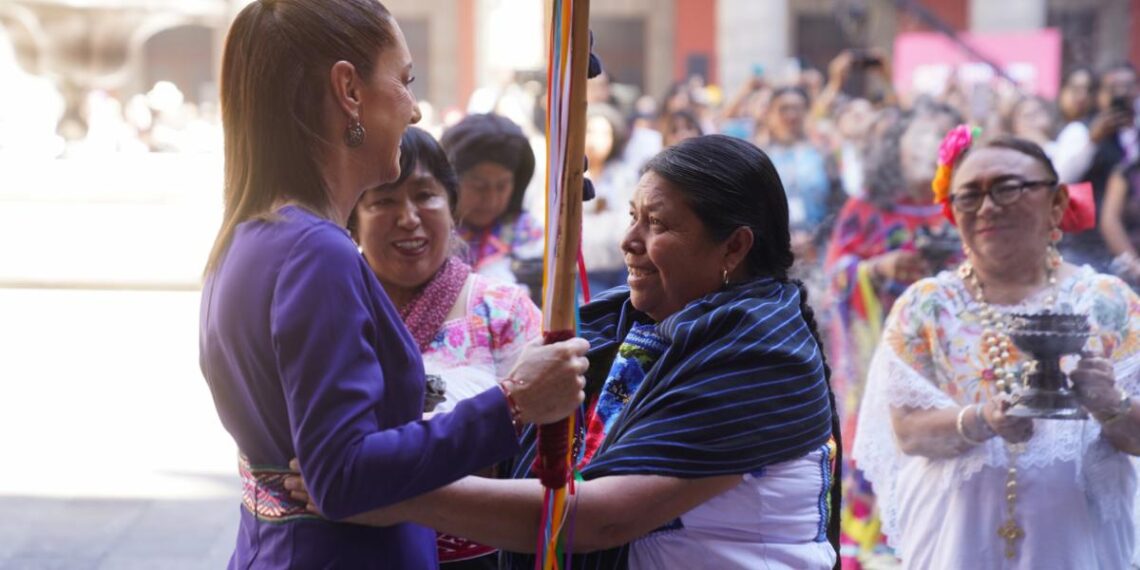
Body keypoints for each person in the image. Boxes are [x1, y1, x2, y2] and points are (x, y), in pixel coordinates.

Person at [290, 135, 843, 569]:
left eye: (658, 224)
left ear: (735, 246)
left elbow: (601, 520)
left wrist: (385, 492)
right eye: (633, 216)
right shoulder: (622, 323)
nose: (629, 240)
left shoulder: (761, 353)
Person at [199, 2, 587, 568]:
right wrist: (514, 401)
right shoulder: (316, 250)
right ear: (348, 90)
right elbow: (344, 474)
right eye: (404, 81)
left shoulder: (250, 235)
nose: (414, 109)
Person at [852, 128, 1140, 569]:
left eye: (1007, 188)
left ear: (1057, 203)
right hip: (958, 546)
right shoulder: (927, 305)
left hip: (1077, 549)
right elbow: (906, 430)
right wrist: (981, 420)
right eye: (968, 196)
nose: (987, 207)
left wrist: (1109, 404)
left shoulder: (1110, 302)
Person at [348, 126, 542, 567]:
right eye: (384, 201)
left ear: (452, 208)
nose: (409, 217)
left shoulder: (503, 311)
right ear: (352, 219)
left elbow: (542, 447)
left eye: (425, 196)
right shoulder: (330, 309)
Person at [823, 102, 962, 569]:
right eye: (919, 136)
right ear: (894, 146)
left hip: (951, 360)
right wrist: (878, 268)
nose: (928, 147)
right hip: (875, 357)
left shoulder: (963, 208)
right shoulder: (866, 209)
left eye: (939, 136)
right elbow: (835, 279)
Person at [440, 113, 544, 292]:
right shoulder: (435, 231)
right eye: (479, 186)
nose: (491, 199)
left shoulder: (528, 233)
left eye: (502, 186)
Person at [581, 103, 639, 294]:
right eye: (590, 131)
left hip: (618, 267)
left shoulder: (625, 175)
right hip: (581, 270)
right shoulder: (568, 177)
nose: (596, 140)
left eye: (603, 134)